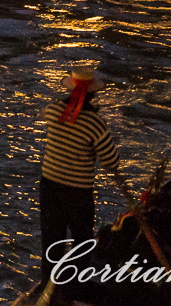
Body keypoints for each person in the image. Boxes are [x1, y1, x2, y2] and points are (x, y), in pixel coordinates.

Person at [37, 67, 119, 279]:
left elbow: (67, 127)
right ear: (93, 93)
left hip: (49, 187)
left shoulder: (53, 111)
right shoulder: (95, 123)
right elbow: (111, 162)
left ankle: (48, 288)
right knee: (82, 243)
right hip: (78, 193)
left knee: (51, 242)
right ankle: (73, 288)